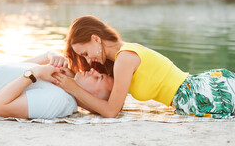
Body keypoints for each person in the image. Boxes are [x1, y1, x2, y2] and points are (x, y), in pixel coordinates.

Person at [54, 15, 235, 119]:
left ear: (95, 38)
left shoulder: (124, 58)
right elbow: (91, 84)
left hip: (198, 94)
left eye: (85, 53)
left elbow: (111, 111)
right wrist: (68, 73)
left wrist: (74, 89)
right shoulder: (120, 58)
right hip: (194, 92)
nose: (87, 60)